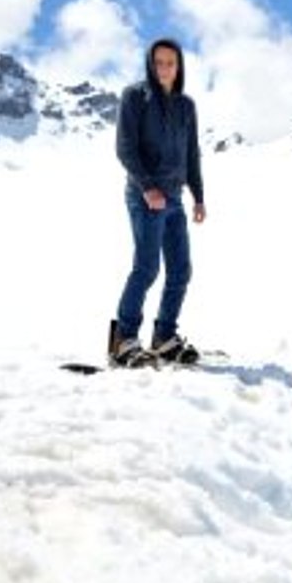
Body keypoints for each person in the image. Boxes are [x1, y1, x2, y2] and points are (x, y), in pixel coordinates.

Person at [111, 38, 205, 367]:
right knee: (147, 268)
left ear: (179, 66)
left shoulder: (185, 105)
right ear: (150, 65)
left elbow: (191, 154)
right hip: (143, 196)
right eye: (159, 62)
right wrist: (148, 188)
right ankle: (123, 339)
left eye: (170, 63)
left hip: (175, 198)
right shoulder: (135, 96)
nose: (164, 68)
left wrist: (198, 196)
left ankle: (164, 336)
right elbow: (125, 147)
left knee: (181, 270)